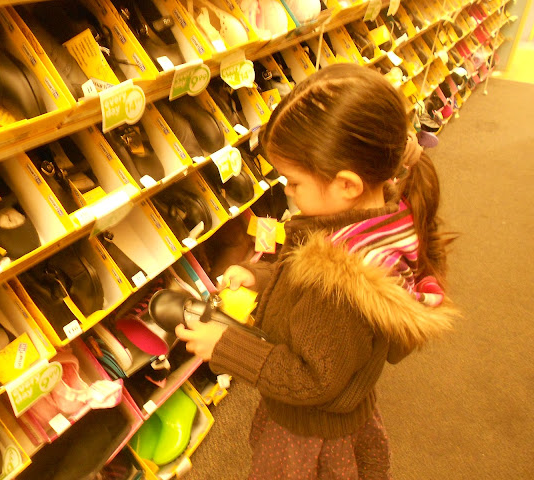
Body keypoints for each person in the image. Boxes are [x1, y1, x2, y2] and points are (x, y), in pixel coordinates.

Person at [174, 63, 459, 479]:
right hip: (327, 419)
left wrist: (226, 346)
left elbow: (312, 379)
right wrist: (261, 278)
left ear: (347, 185)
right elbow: (305, 287)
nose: (287, 192)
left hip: (310, 438)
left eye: (293, 182)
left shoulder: (340, 286)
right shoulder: (365, 225)